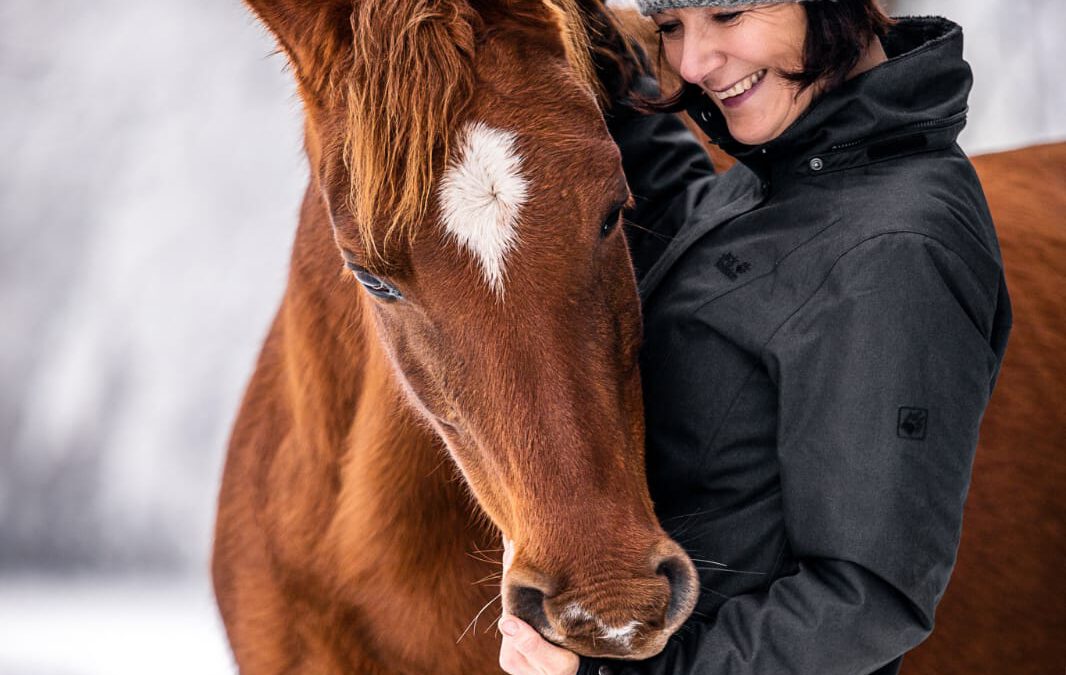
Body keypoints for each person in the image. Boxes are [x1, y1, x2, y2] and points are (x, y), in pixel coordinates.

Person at [497, 1, 1012, 674]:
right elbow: (706, 247)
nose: (692, 62)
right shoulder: (806, 162)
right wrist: (589, 42)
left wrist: (614, 673)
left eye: (729, 13)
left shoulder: (894, 248)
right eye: (674, 27)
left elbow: (867, 598)